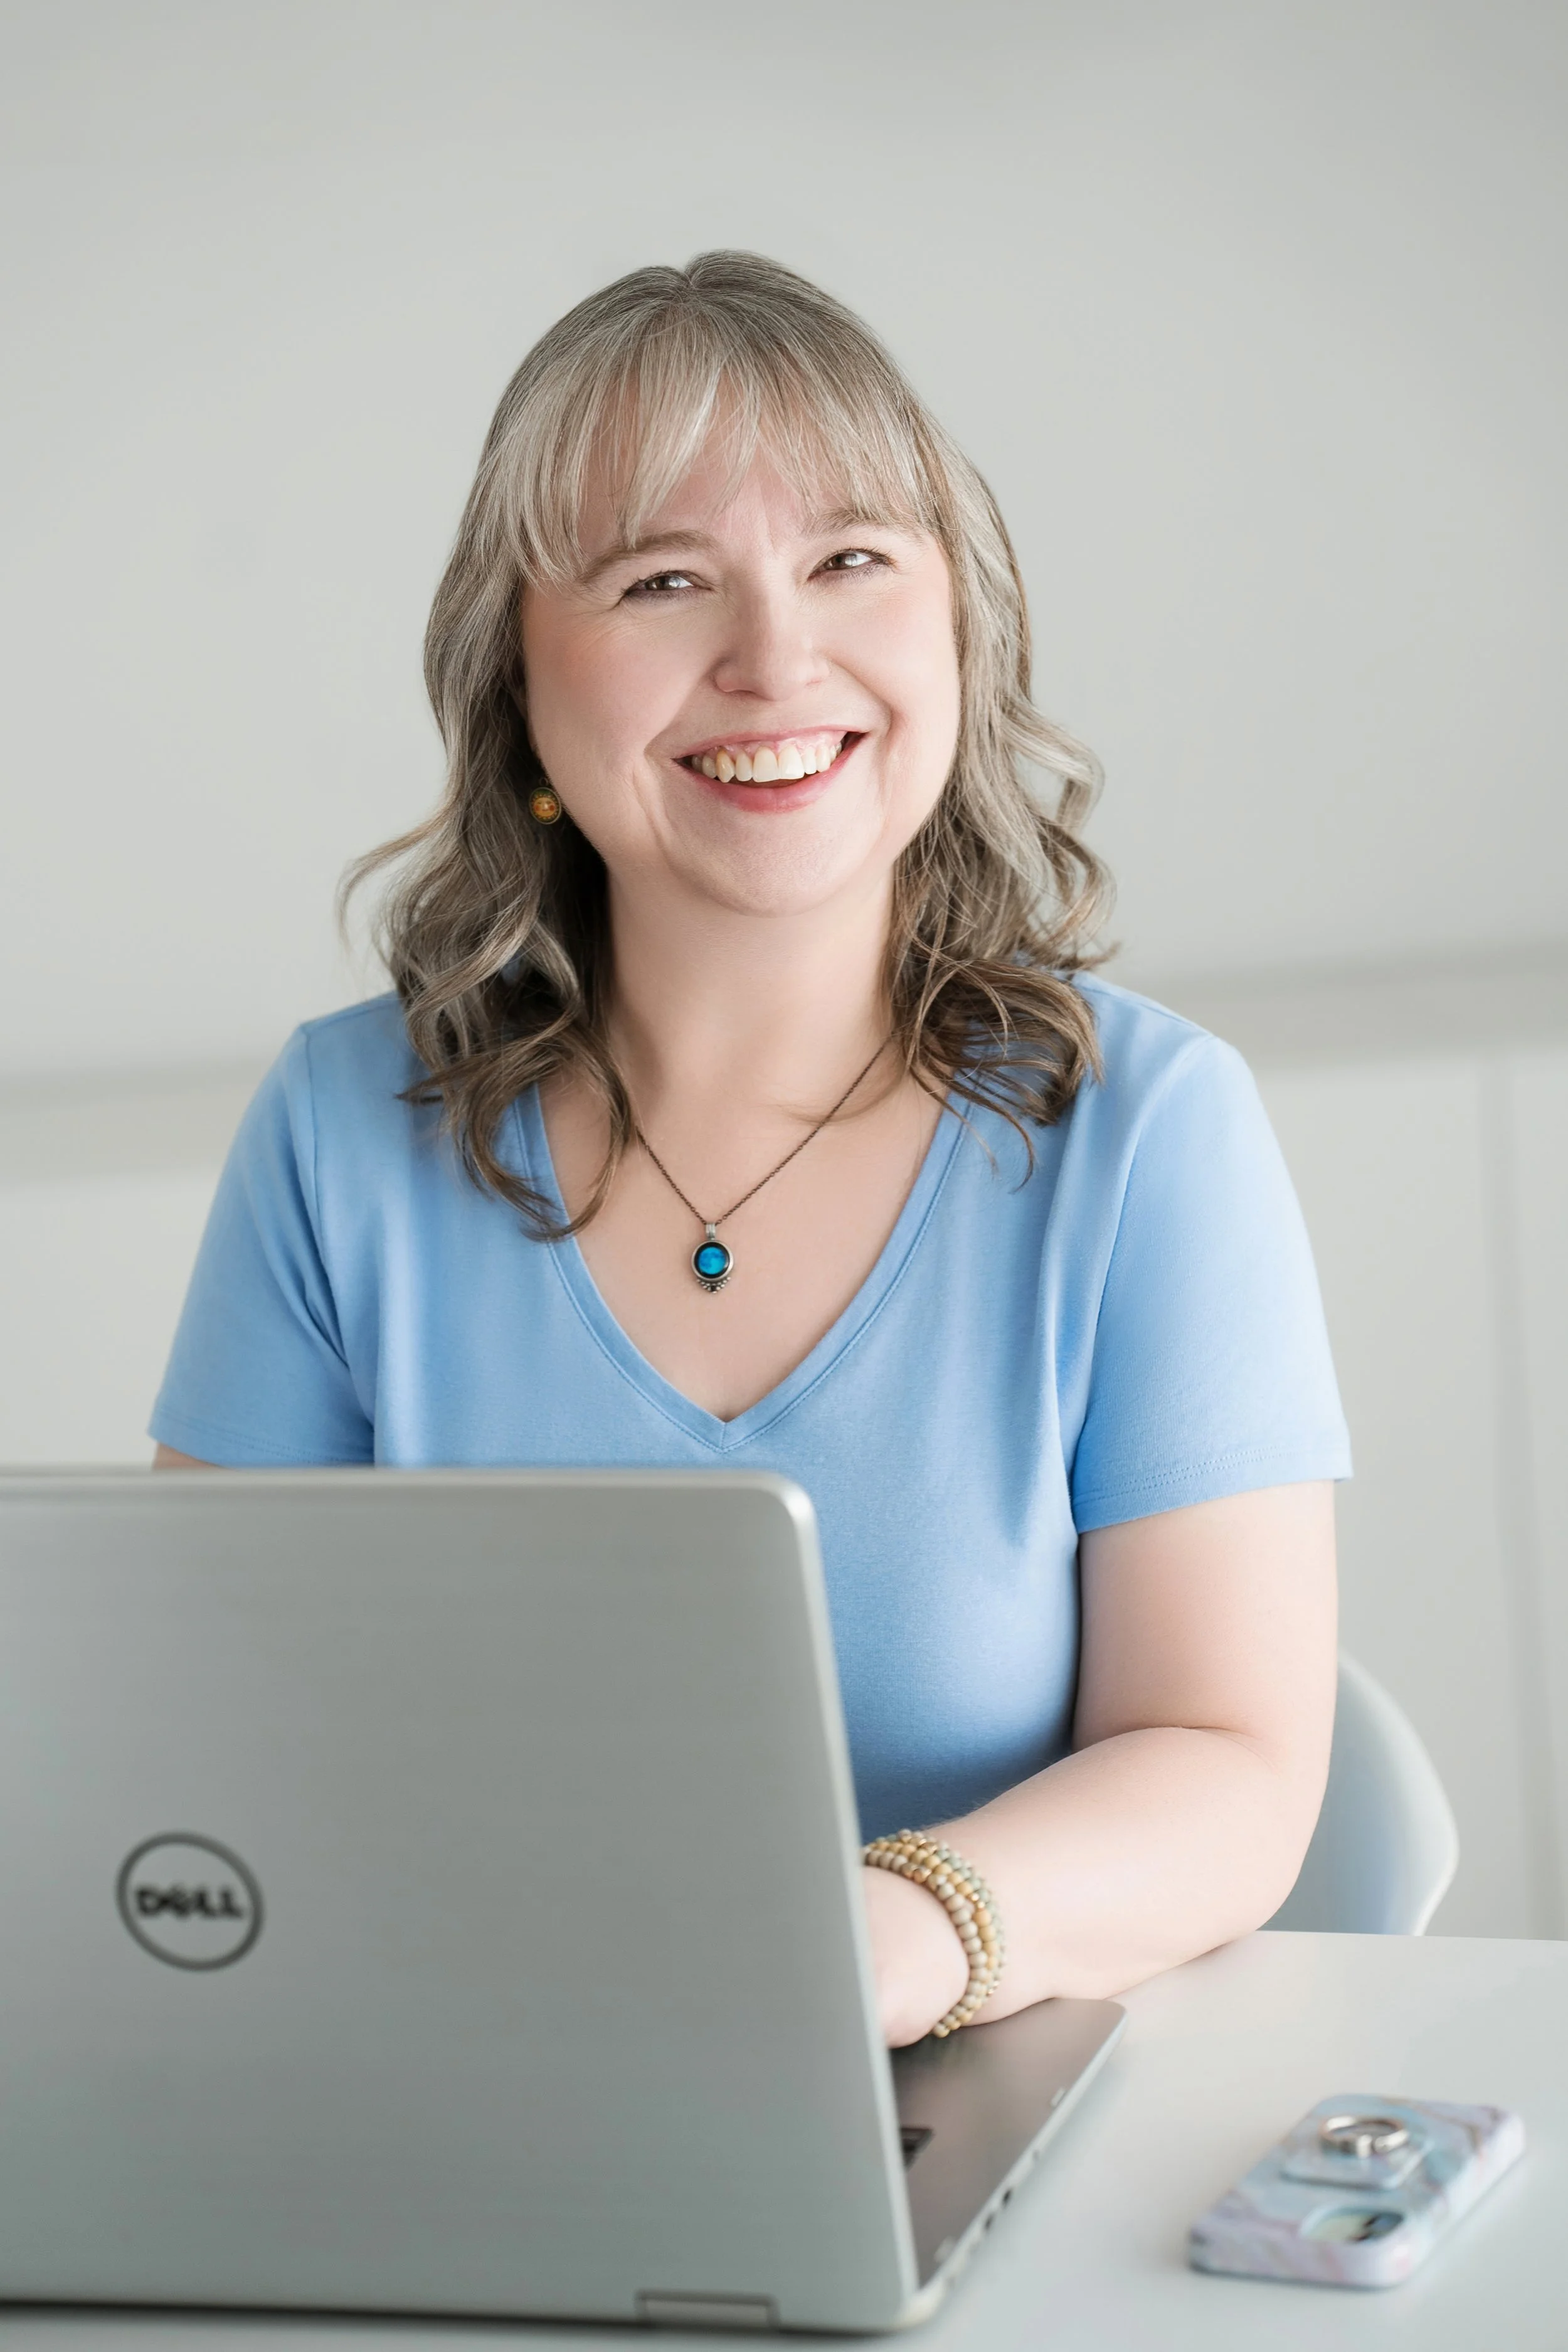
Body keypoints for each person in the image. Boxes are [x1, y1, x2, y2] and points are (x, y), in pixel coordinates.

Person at [152, 252, 1350, 2047]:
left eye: (851, 558)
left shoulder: (1149, 1135)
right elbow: (207, 1757)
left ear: (955, 622)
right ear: (519, 689)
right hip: (452, 2088)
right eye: (662, 579)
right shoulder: (335, 1135)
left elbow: (1227, 1765)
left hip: (977, 2096)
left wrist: (874, 1942)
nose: (774, 656)